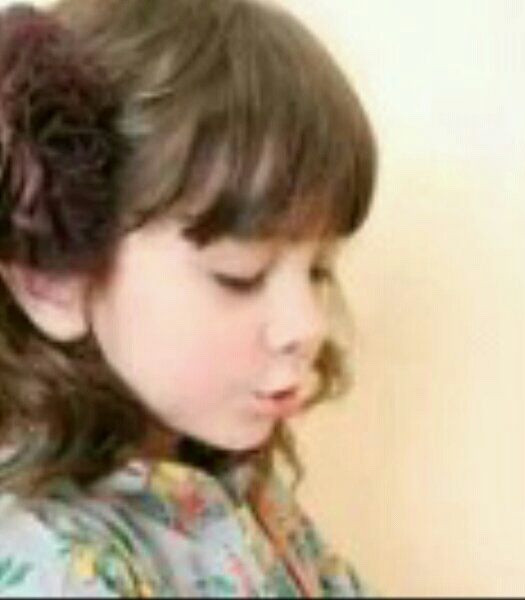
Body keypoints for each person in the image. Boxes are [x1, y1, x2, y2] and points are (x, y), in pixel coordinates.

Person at [0, 0, 377, 596]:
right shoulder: (55, 566)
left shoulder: (229, 478)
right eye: (240, 275)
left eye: (318, 271)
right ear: (52, 277)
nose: (306, 324)